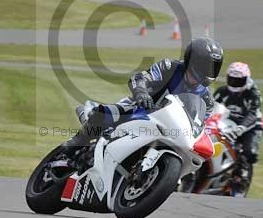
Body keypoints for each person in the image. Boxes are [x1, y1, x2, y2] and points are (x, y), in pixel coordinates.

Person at [60, 37, 224, 158]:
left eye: (213, 67)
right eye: (205, 65)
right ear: (192, 60)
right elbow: (140, 78)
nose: (209, 70)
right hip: (140, 109)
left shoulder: (207, 98)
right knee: (106, 114)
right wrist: (142, 93)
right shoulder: (170, 67)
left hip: (170, 131)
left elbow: (199, 123)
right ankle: (77, 141)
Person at [213, 62, 263, 195]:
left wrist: (241, 128)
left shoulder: (254, 94)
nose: (235, 83)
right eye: (232, 79)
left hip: (251, 126)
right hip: (229, 123)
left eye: (239, 80)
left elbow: (253, 114)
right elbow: (211, 107)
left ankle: (242, 177)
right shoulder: (222, 91)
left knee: (249, 152)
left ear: (247, 79)